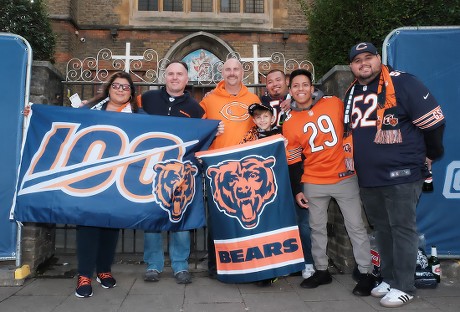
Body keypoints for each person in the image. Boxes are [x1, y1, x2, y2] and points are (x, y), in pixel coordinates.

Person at [346, 42, 445, 308]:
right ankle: (389, 279)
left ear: (379, 59)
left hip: (402, 174)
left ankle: (405, 286)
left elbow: (434, 122)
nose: (363, 63)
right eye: (357, 60)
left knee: (402, 229)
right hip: (369, 177)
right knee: (383, 230)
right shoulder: (352, 90)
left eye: (369, 57)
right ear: (351, 66)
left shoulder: (403, 82)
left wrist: (431, 155)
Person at [282, 69, 374, 296]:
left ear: (312, 88)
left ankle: (366, 272)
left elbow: (355, 125)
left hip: (344, 176)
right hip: (313, 179)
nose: (300, 89)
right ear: (290, 91)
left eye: (305, 84)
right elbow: (293, 160)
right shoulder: (290, 121)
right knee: (317, 228)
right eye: (295, 86)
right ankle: (321, 270)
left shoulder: (334, 103)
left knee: (356, 227)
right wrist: (297, 189)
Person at [75, 71, 141, 298]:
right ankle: (84, 274)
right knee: (88, 224)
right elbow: (61, 119)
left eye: (126, 87)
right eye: (117, 85)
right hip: (91, 176)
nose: (121, 90)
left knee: (111, 225)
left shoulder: (139, 115)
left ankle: (103, 269)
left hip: (119, 178)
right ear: (109, 88)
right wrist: (33, 113)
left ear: (132, 93)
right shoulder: (89, 109)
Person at [140, 60, 205, 285]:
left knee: (180, 216)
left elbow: (202, 138)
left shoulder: (196, 108)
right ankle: (153, 264)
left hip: (182, 172)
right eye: (171, 74)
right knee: (152, 218)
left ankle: (180, 265)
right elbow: (121, 113)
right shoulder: (146, 99)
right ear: (164, 76)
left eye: (180, 74)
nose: (175, 78)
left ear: (187, 79)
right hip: (152, 168)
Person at [199, 58, 260, 277]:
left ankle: (243, 262)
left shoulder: (254, 99)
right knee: (218, 218)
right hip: (220, 170)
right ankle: (216, 266)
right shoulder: (209, 100)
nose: (232, 73)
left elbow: (261, 129)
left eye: (236, 69)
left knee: (246, 216)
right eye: (228, 69)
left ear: (243, 72)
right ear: (221, 73)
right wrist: (210, 132)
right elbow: (198, 130)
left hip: (246, 171)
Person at [261, 69, 315, 280]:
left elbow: (318, 95)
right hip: (271, 172)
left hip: (297, 169)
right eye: (269, 81)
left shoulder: (298, 101)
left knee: (303, 219)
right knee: (278, 220)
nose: (274, 84)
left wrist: (292, 98)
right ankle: (285, 262)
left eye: (278, 80)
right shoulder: (260, 104)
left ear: (287, 82)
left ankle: (308, 261)